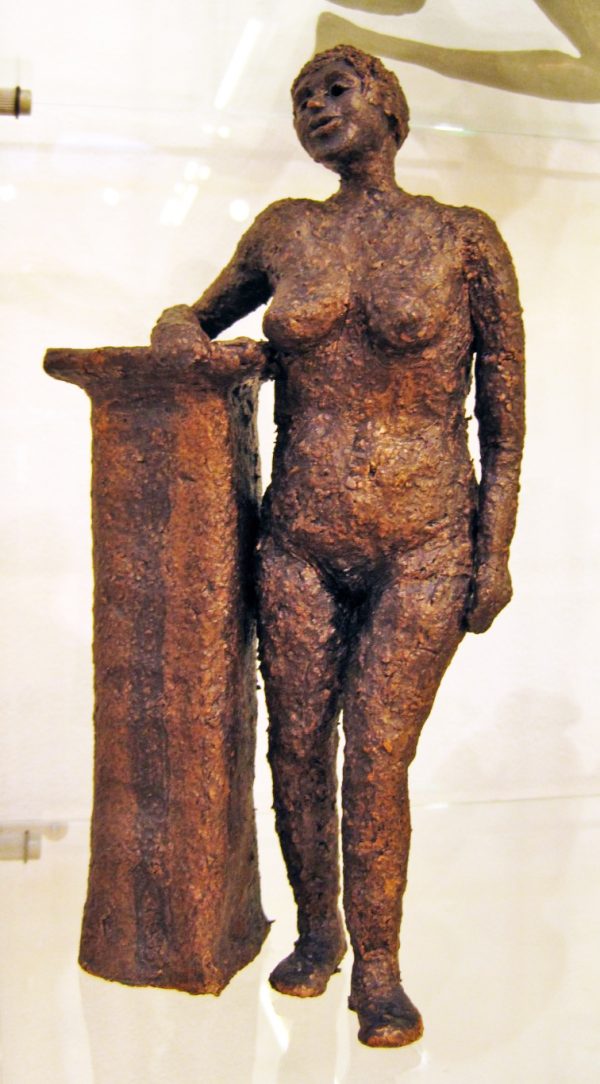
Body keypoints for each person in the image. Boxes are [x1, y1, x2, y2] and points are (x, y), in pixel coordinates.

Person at [152, 45, 525, 1048]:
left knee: (378, 756)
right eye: (301, 100)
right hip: (301, 535)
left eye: (336, 91)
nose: (316, 109)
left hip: (426, 537)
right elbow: (193, 313)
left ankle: (383, 969)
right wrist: (180, 332)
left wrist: (494, 547)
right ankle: (319, 934)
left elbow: (504, 411)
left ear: (389, 107)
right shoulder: (287, 230)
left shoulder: (462, 236)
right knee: (296, 742)